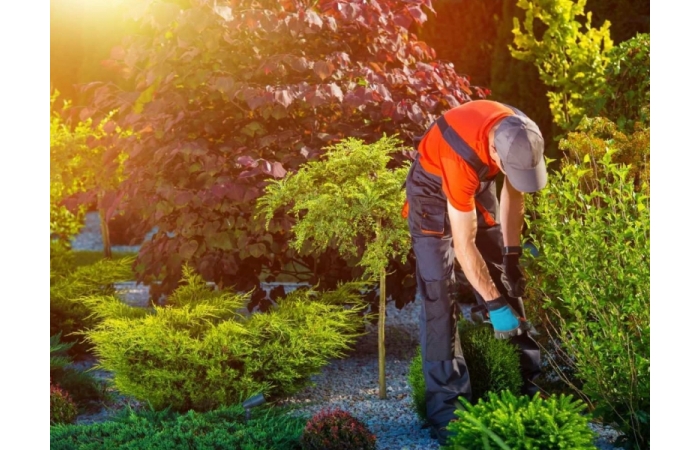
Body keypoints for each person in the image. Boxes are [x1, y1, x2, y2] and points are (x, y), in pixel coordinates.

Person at [403, 99, 547, 445]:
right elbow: (464, 246)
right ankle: (449, 411)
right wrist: (495, 307)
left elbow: (515, 200)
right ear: (495, 156)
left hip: (476, 183)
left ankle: (527, 384)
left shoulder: (523, 134)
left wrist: (511, 256)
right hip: (432, 189)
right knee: (440, 293)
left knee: (500, 273)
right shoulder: (460, 156)